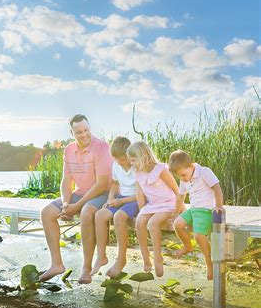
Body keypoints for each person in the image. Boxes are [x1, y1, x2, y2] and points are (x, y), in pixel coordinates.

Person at [39, 114, 113, 284]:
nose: (84, 134)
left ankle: (86, 268)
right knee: (47, 212)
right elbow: (66, 180)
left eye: (86, 130)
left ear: (90, 128)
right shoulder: (69, 149)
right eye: (79, 132)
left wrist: (76, 206)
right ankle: (56, 264)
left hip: (101, 194)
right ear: (72, 133)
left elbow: (102, 184)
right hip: (79, 193)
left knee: (86, 212)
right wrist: (66, 204)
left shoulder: (102, 148)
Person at [169, 150, 224, 280]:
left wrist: (219, 206)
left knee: (199, 236)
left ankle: (209, 264)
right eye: (179, 177)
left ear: (191, 166)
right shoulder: (184, 179)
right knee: (177, 224)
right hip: (193, 210)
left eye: (183, 175)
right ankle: (188, 246)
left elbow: (217, 188)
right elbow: (181, 196)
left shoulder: (204, 172)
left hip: (206, 210)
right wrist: (176, 211)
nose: (182, 178)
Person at [127, 141, 178, 277]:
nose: (131, 164)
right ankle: (145, 258)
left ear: (143, 156)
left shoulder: (160, 170)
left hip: (168, 204)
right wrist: (143, 211)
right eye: (130, 161)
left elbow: (176, 189)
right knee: (139, 222)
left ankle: (158, 258)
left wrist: (179, 210)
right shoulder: (138, 172)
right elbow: (139, 194)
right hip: (152, 205)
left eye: (133, 160)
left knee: (153, 223)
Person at [93, 136, 139, 278]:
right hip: (120, 198)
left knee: (119, 217)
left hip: (135, 199)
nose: (119, 162)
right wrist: (111, 198)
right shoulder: (116, 165)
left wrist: (121, 203)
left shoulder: (137, 166)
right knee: (100, 215)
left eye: (122, 159)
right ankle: (101, 256)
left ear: (130, 154)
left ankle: (121, 259)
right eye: (116, 159)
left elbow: (142, 195)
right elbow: (114, 183)